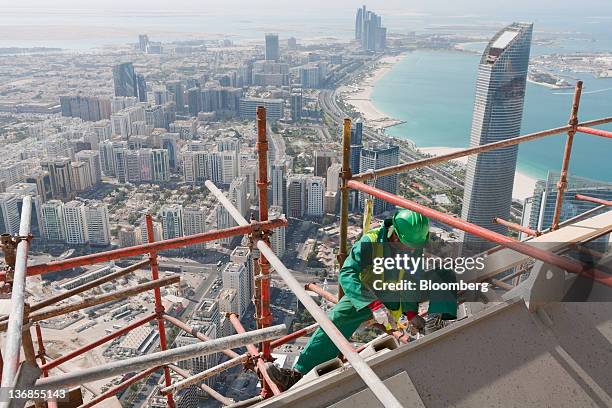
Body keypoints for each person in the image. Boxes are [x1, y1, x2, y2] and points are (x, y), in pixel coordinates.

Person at [265, 209, 458, 391]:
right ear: (396, 235)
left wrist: (411, 313)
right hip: (368, 295)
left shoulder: (412, 243)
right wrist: (373, 304)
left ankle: (438, 327)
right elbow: (347, 273)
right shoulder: (371, 242)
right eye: (408, 245)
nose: (412, 250)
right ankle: (298, 374)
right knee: (337, 320)